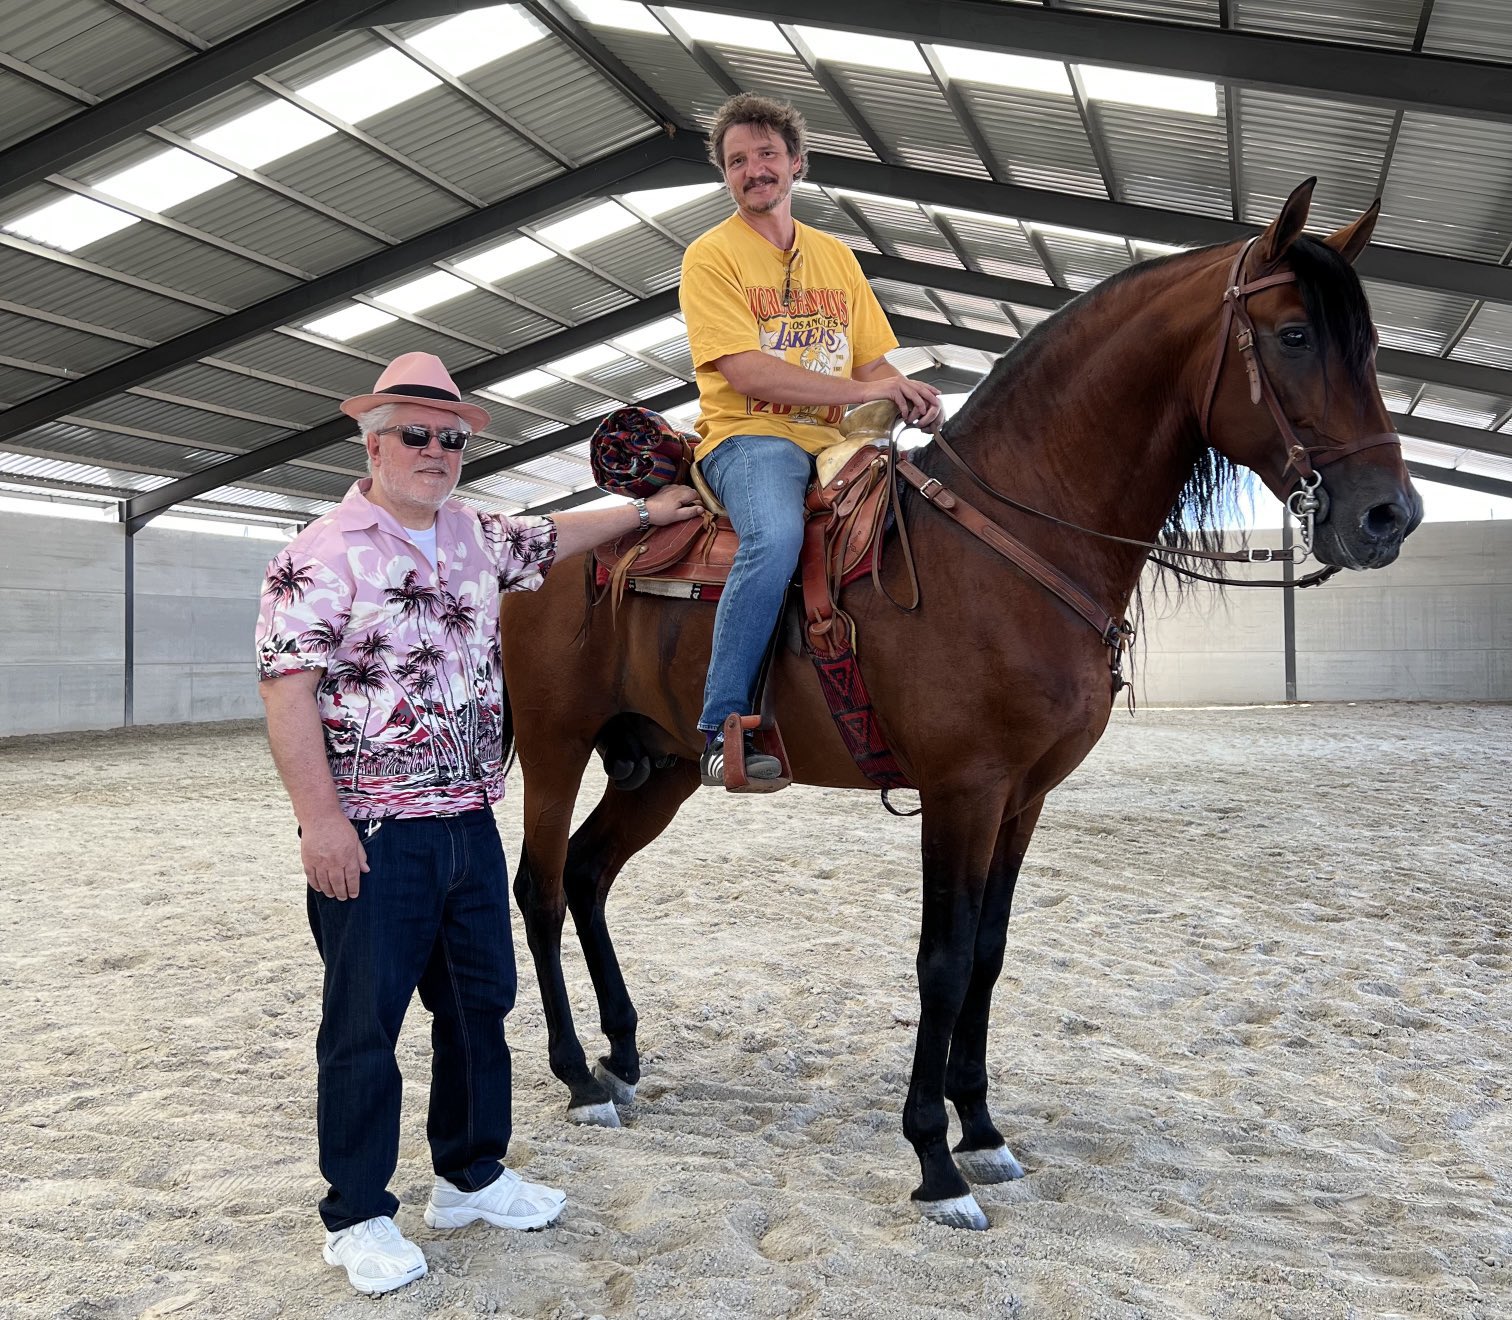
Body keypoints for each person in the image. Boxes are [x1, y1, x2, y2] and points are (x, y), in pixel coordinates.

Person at [254, 351, 699, 1296]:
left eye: (450, 437)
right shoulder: (315, 557)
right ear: (373, 442)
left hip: (466, 819)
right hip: (373, 831)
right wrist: (319, 822)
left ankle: (469, 1172)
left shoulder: (472, 536)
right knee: (363, 1026)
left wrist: (647, 512)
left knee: (477, 1009)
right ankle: (359, 1214)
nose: (436, 450)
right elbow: (288, 696)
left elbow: (555, 532)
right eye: (415, 434)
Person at [679, 93, 942, 787]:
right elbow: (742, 367)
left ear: (796, 163)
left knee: (917, 517)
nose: (753, 170)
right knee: (775, 538)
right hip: (750, 437)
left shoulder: (836, 258)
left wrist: (906, 391)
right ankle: (721, 726)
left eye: (766, 154)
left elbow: (871, 364)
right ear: (727, 177)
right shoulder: (710, 257)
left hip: (834, 439)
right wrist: (864, 393)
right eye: (737, 161)